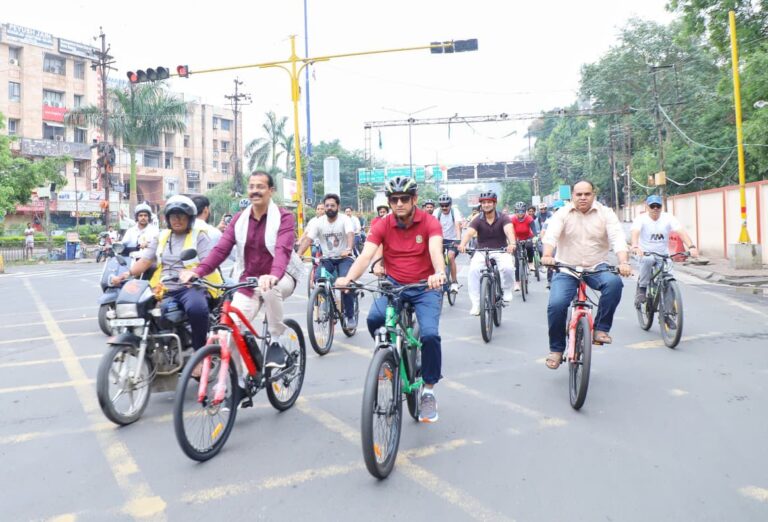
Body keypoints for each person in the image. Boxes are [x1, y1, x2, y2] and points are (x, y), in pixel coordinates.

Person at [336, 176, 446, 423]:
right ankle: (387, 359)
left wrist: (439, 273)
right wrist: (348, 279)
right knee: (375, 319)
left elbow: (435, 251)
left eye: (404, 199)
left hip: (425, 286)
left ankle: (428, 390)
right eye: (394, 199)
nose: (399, 204)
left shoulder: (430, 222)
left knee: (429, 335)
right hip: (394, 286)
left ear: (414, 200)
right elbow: (365, 256)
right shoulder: (382, 224)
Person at [180, 171, 305, 370]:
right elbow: (221, 249)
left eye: (261, 187)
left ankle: (275, 341)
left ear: (271, 191)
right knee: (228, 334)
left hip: (281, 276)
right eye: (252, 186)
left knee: (268, 288)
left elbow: (282, 250)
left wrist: (273, 275)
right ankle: (241, 382)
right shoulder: (239, 219)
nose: (255, 191)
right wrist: (198, 271)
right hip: (248, 280)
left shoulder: (284, 217)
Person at [111, 195, 223, 353]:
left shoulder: (199, 235)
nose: (176, 219)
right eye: (172, 216)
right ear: (168, 218)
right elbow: (145, 261)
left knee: (197, 309)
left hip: (191, 287)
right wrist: (125, 275)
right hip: (164, 287)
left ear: (189, 218)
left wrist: (193, 272)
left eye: (181, 215)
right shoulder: (162, 236)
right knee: (145, 310)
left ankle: (200, 353)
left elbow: (208, 262)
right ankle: (158, 349)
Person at [540, 180, 632, 369]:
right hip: (566, 268)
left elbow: (617, 238)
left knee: (614, 284)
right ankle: (557, 350)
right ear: (572, 195)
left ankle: (601, 328)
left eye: (587, 194)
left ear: (593, 195)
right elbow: (551, 236)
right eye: (578, 194)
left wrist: (623, 262)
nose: (583, 198)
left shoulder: (606, 213)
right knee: (556, 305)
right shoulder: (562, 213)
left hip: (596, 267)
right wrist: (547, 255)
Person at [296, 193, 357, 328]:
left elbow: (350, 234)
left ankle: (350, 315)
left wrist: (348, 248)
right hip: (327, 259)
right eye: (327, 205)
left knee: (344, 283)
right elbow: (309, 239)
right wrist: (298, 254)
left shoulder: (344, 219)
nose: (329, 208)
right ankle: (328, 307)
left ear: (338, 207)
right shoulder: (319, 222)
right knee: (318, 279)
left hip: (343, 258)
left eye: (332, 205)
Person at [631, 194, 698, 305]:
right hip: (645, 253)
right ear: (647, 207)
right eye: (652, 206)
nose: (655, 208)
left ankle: (668, 312)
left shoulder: (668, 217)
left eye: (658, 206)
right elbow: (635, 232)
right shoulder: (641, 219)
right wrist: (635, 246)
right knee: (648, 260)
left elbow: (680, 231)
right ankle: (642, 288)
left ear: (662, 207)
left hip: (663, 255)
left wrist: (691, 247)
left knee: (669, 278)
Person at [458, 190, 517, 315]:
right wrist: (462, 244)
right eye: (484, 203)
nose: (486, 205)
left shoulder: (503, 218)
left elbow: (509, 230)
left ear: (494, 204)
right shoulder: (477, 219)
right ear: (481, 205)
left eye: (489, 202)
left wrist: (512, 244)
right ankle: (476, 304)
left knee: (508, 268)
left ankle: (506, 290)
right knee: (473, 271)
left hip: (501, 250)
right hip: (482, 251)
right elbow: (469, 233)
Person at [434, 194, 462, 293]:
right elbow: (433, 227)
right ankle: (439, 277)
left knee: (450, 257)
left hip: (453, 239)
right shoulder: (437, 212)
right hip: (441, 238)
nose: (444, 207)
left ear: (450, 205)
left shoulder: (455, 212)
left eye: (446, 205)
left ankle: (454, 282)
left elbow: (457, 227)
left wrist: (458, 241)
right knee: (436, 257)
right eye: (442, 205)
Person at [510, 201, 536, 291]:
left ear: (525, 211)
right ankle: (517, 283)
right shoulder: (512, 219)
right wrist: (511, 241)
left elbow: (534, 230)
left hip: (527, 237)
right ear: (515, 211)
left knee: (529, 246)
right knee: (517, 262)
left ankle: (530, 262)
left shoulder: (529, 218)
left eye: (522, 211)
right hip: (516, 239)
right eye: (518, 211)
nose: (520, 213)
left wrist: (535, 237)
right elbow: (510, 231)